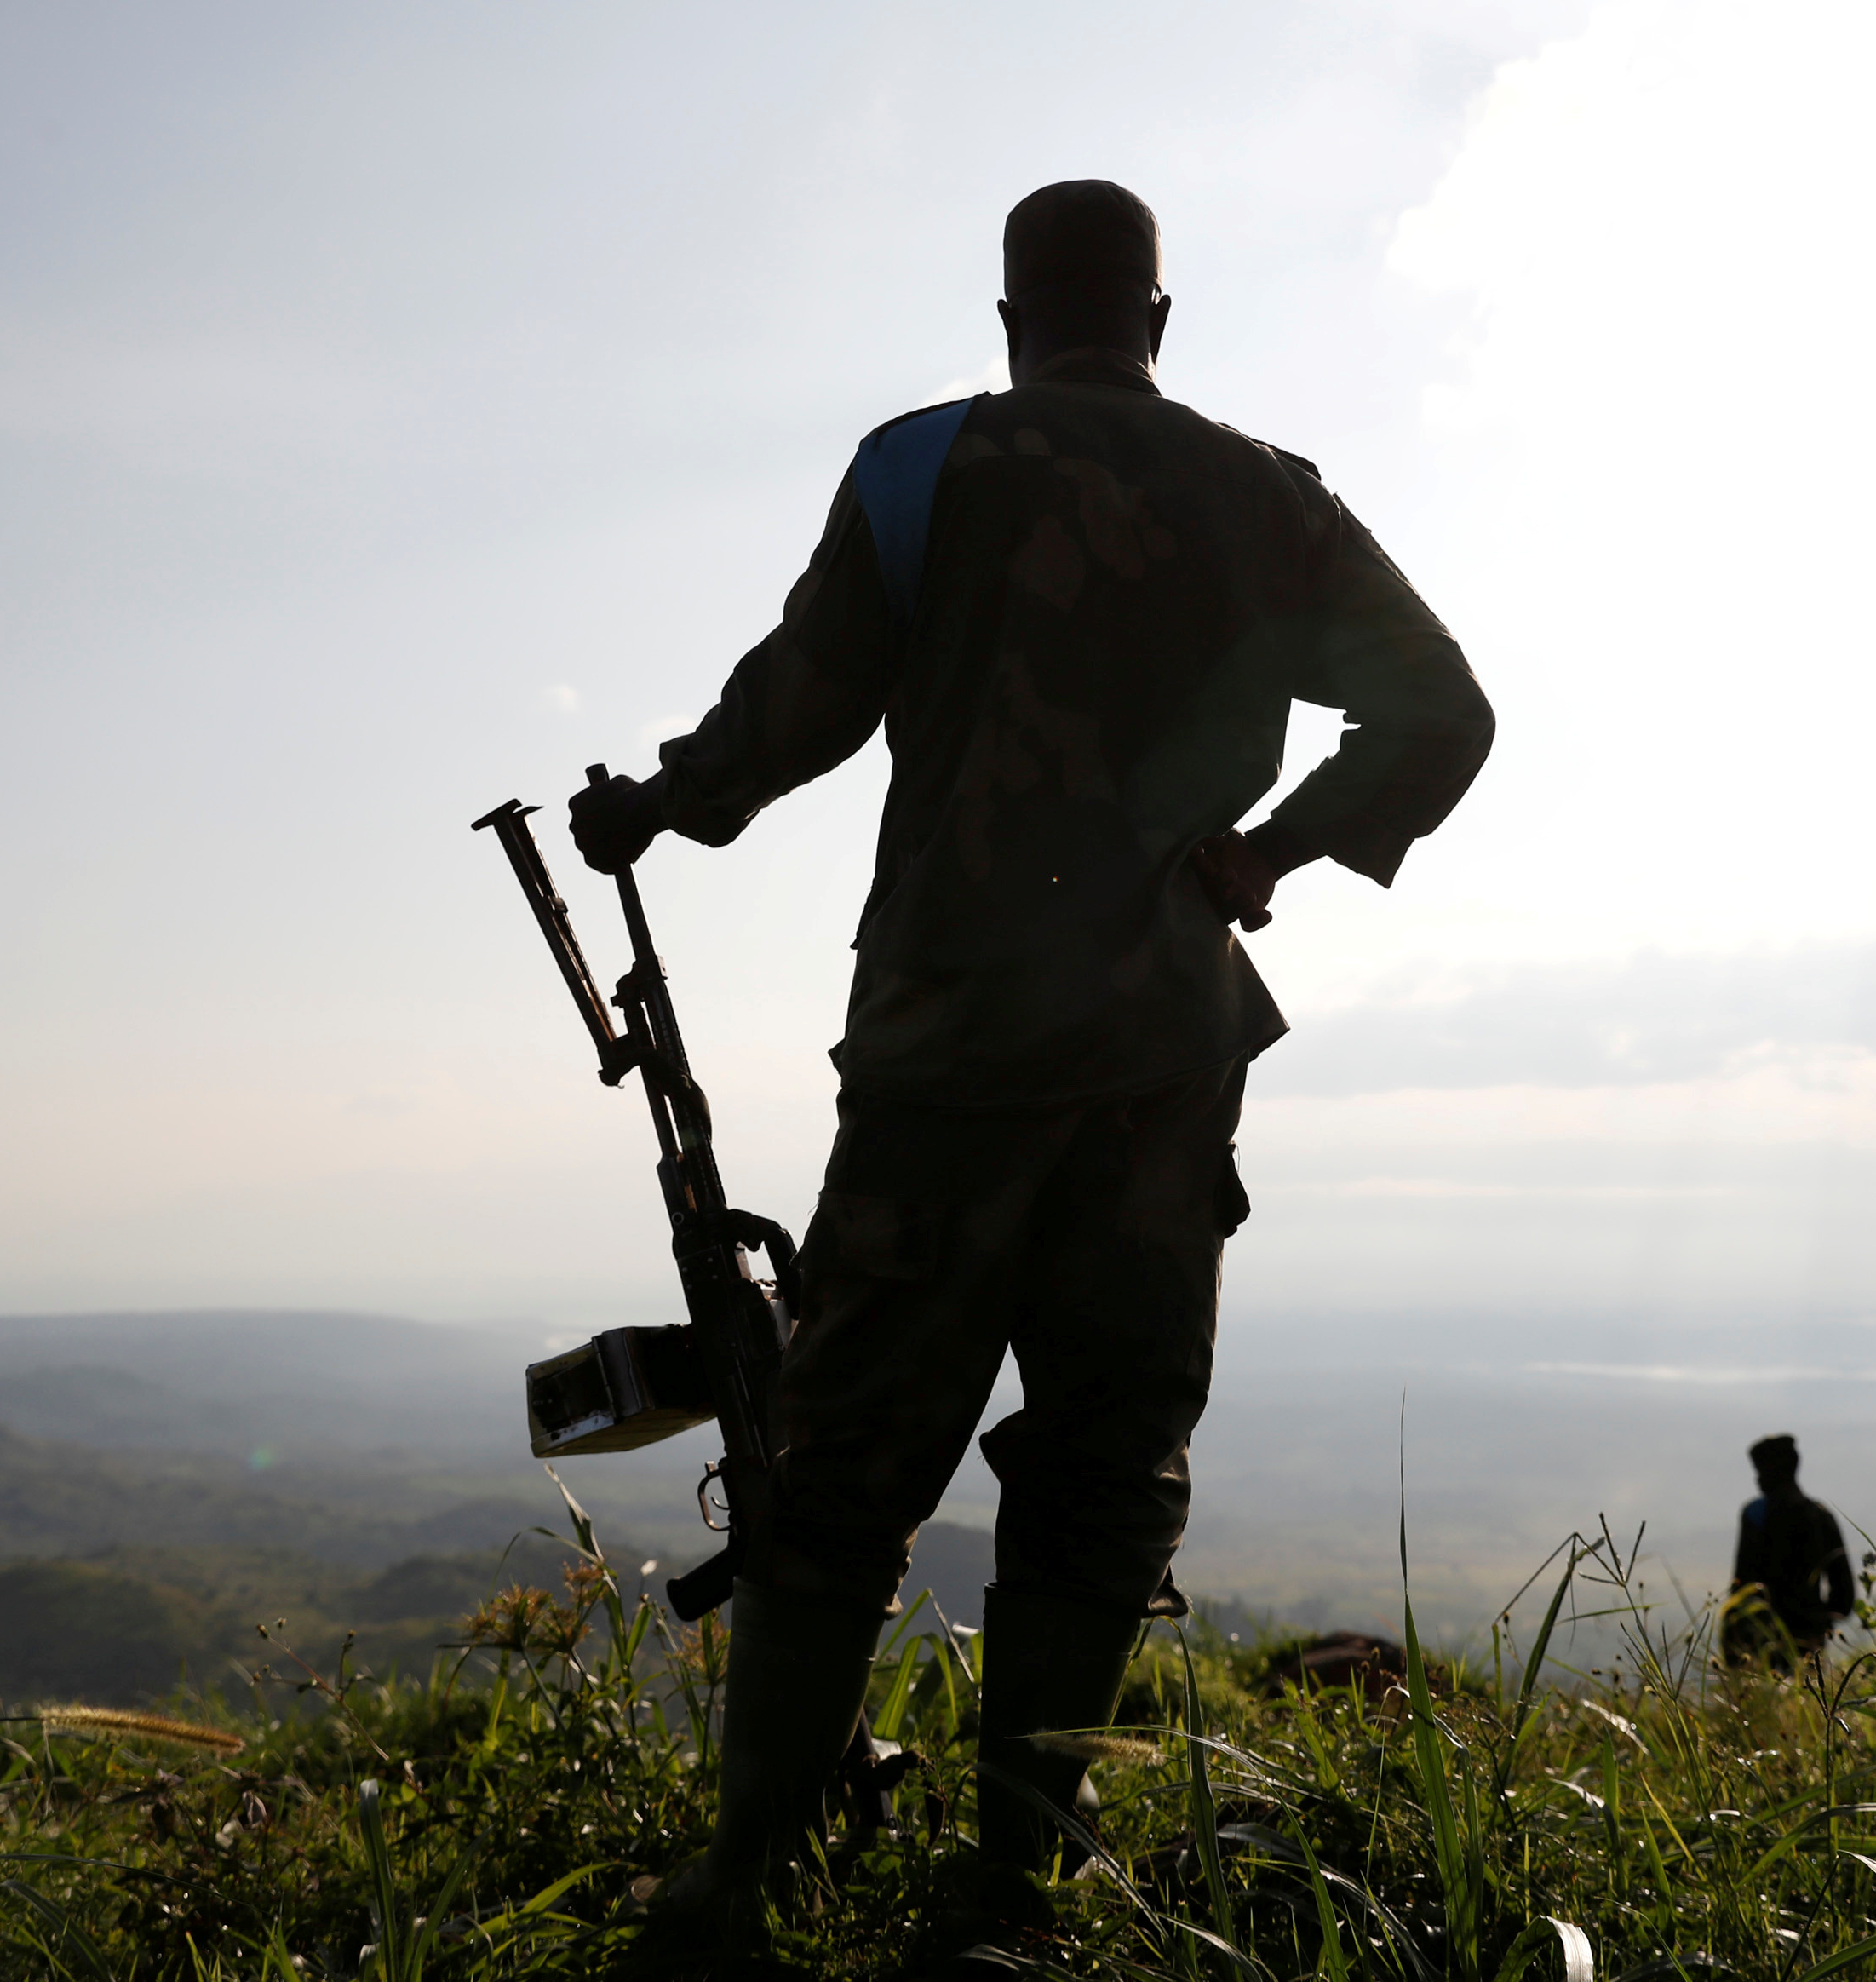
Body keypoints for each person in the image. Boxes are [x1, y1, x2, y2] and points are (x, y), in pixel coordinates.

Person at [568, 181, 1494, 1951]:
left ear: (1011, 323)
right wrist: (1272, 853)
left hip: (947, 1046)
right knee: (1096, 1475)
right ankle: (1007, 1897)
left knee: (841, 1470)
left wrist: (651, 805)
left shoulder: (925, 468)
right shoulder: (1267, 497)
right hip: (1159, 1063)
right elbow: (1444, 707)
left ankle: (742, 1876)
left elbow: (792, 712)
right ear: (1157, 320)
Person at [1723, 1434, 1853, 1669]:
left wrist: (1734, 1637)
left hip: (1761, 1636)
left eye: (1761, 1471)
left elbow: (1741, 1583)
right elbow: (1844, 1592)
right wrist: (1822, 1624)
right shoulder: (1821, 1516)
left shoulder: (1755, 1514)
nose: (1757, 1479)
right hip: (1810, 1639)